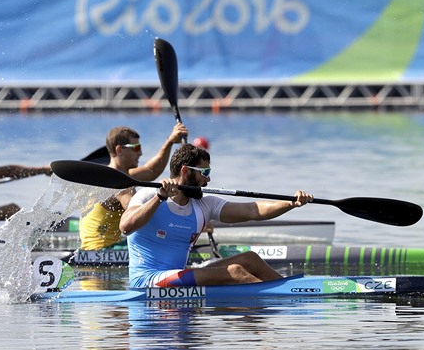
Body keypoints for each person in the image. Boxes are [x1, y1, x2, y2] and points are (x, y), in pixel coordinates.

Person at [119, 144, 314, 288]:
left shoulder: (205, 204)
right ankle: (282, 297)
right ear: (185, 171)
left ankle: (291, 289)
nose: (208, 179)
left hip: (178, 276)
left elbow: (253, 210)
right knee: (235, 272)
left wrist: (291, 203)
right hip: (148, 280)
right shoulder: (147, 195)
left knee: (250, 259)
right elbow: (125, 226)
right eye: (204, 172)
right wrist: (160, 198)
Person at [79, 123, 188, 250]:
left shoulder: (116, 174)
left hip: (96, 248)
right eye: (136, 148)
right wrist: (183, 221)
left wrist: (170, 141)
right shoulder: (119, 185)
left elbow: (152, 170)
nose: (141, 153)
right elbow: (138, 215)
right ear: (119, 150)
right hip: (103, 252)